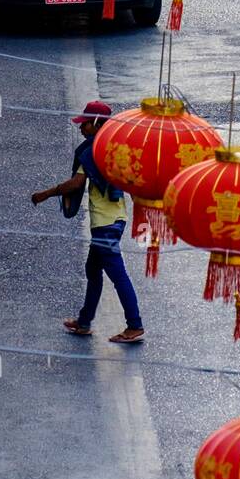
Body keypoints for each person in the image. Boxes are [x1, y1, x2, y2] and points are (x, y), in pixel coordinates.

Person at [31, 101, 144, 344]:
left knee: (118, 274)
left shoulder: (91, 152)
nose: (81, 129)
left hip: (105, 224)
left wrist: (46, 194)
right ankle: (84, 322)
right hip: (116, 220)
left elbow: (76, 184)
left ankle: (134, 325)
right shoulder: (115, 149)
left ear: (96, 124)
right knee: (93, 271)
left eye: (85, 124)